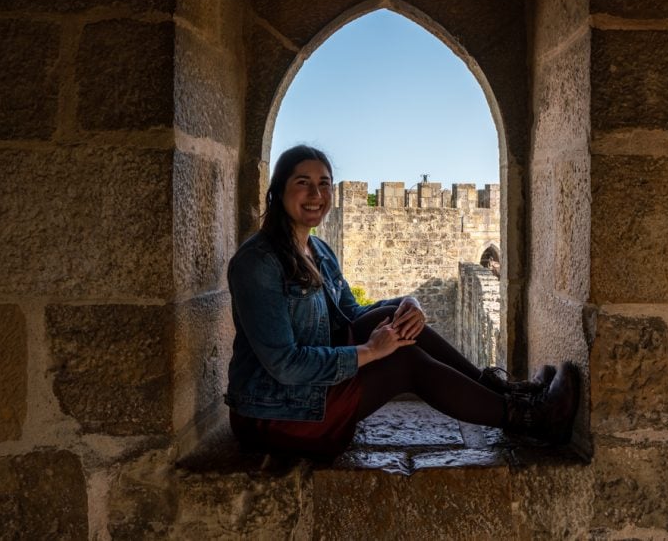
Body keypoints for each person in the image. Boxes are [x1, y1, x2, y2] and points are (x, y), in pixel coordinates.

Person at [225, 145, 579, 459]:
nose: (316, 193)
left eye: (324, 183)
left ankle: (508, 393)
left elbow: (353, 313)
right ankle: (534, 420)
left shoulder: (317, 251)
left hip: (309, 392)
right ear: (279, 190)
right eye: (303, 182)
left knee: (398, 318)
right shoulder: (257, 262)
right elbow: (284, 364)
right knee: (404, 362)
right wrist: (371, 352)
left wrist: (410, 302)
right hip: (277, 413)